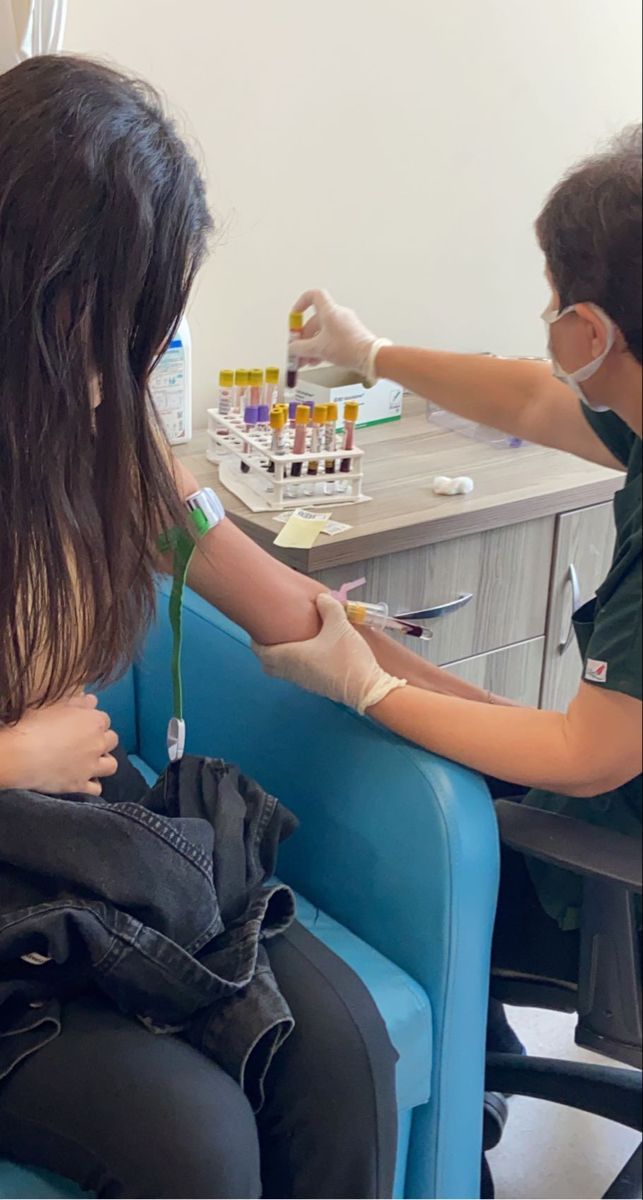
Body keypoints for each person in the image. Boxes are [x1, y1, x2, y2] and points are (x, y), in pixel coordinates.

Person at [0, 55, 403, 1200]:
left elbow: (292, 612)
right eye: (112, 311)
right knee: (195, 1144)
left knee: (343, 1057)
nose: (128, 355)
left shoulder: (107, 444)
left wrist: (433, 703)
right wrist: (12, 757)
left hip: (83, 840)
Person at [256, 127, 642, 1054]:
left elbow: (587, 756)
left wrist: (369, 685)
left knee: (367, 851)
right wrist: (372, 350)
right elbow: (529, 401)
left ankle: (462, 1126)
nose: (543, 321)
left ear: (589, 330)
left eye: (552, 301)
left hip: (608, 882)